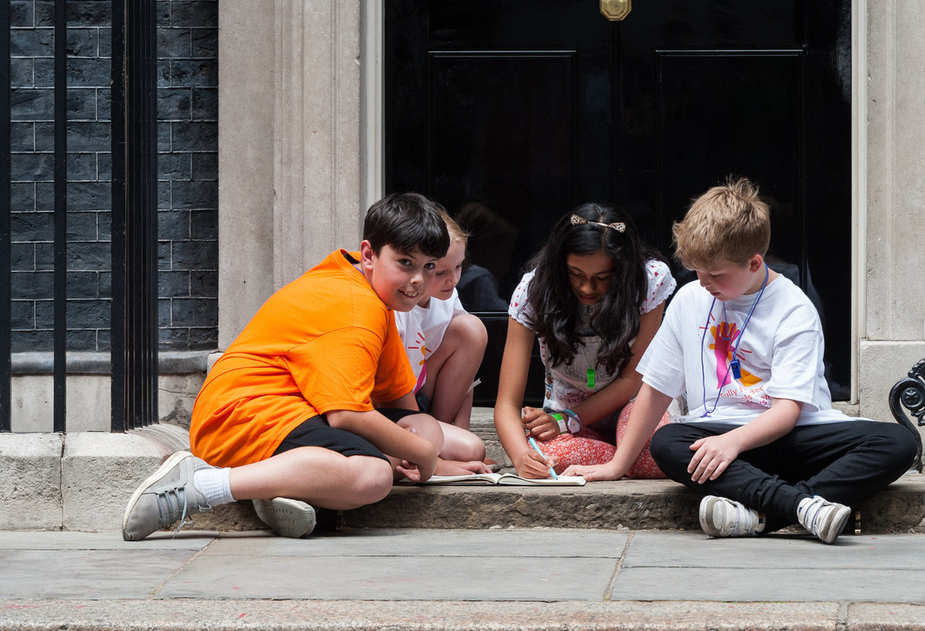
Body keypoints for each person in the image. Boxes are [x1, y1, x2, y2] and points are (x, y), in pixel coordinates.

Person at [121, 193, 490, 542]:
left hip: (292, 412)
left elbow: (399, 400)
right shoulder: (355, 309)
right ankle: (199, 486)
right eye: (405, 263)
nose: (417, 281)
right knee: (373, 476)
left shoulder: (361, 280)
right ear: (369, 254)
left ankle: (284, 486)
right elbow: (346, 415)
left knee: (423, 426)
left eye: (429, 268)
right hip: (241, 415)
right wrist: (425, 457)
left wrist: (433, 459)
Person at [564, 178, 916, 544]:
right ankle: (803, 506)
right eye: (696, 270)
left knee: (897, 442)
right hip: (717, 439)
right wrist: (617, 465)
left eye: (715, 274)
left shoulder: (794, 309)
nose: (703, 283)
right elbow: (655, 389)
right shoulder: (688, 300)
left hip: (790, 438)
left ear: (754, 262)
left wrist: (734, 442)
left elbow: (787, 412)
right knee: (668, 441)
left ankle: (763, 515)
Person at [494, 203, 676, 479]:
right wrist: (521, 457)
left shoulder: (648, 281)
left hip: (634, 406)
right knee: (545, 459)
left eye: (602, 278)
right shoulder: (533, 291)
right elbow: (507, 403)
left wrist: (569, 419)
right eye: (575, 274)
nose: (587, 288)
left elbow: (632, 380)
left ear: (623, 271)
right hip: (564, 414)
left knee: (653, 454)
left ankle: (622, 459)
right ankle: (624, 460)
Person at [393, 208, 488, 462]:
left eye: (459, 267)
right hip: (395, 406)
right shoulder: (398, 304)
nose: (454, 279)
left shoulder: (448, 298)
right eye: (441, 271)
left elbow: (466, 372)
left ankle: (440, 436)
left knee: (471, 328)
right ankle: (427, 450)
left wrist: (461, 429)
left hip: (426, 393)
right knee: (471, 449)